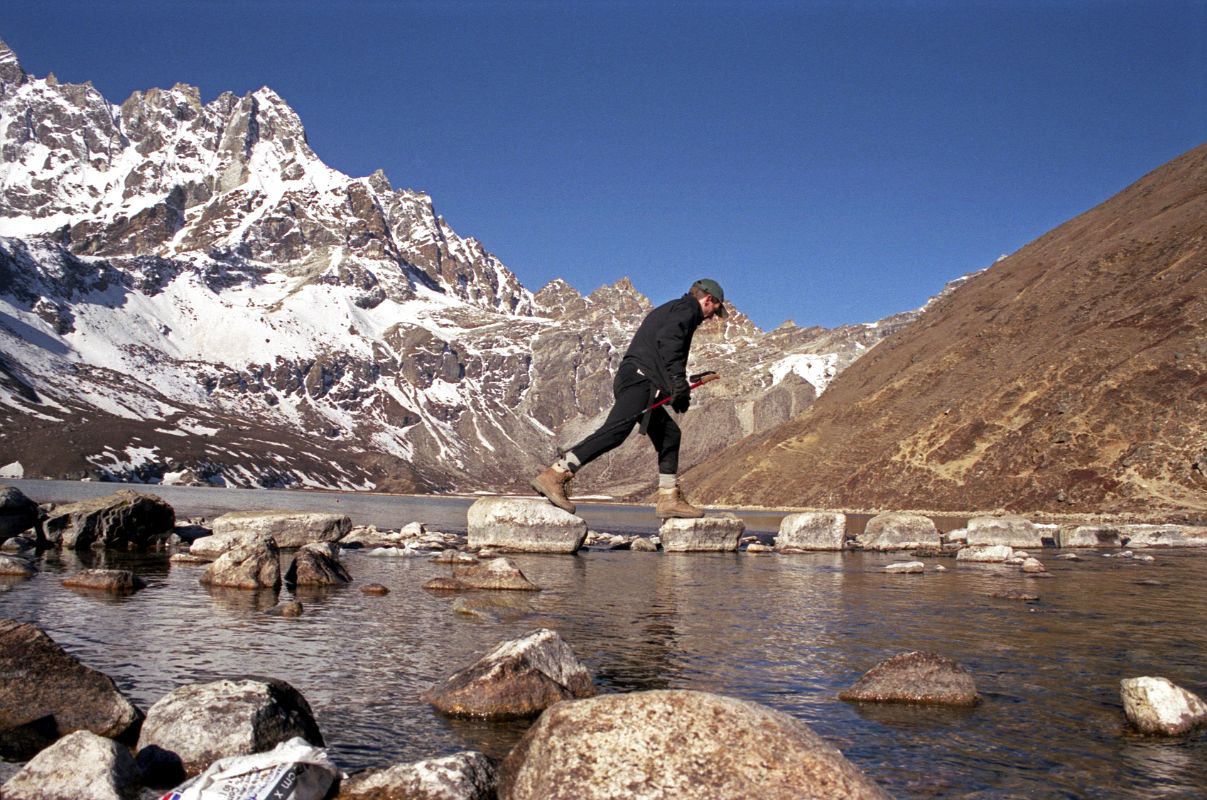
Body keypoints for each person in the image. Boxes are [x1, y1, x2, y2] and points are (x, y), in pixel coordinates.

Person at [531, 278, 727, 518]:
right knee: (616, 431)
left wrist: (676, 388)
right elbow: (670, 341)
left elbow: (662, 349)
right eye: (714, 310)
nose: (711, 317)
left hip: (639, 379)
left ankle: (668, 498)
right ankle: (555, 474)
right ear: (708, 300)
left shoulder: (675, 309)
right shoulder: (687, 309)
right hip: (640, 379)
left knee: (669, 435)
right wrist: (677, 381)